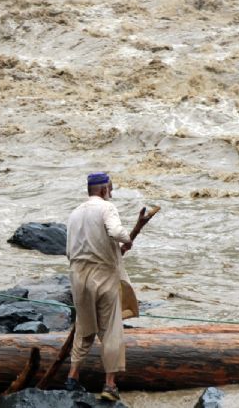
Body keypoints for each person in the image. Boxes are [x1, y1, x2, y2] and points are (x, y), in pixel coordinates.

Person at [64, 172, 156, 402]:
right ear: (104, 190)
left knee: (84, 328)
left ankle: (72, 378)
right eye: (111, 189)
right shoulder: (107, 208)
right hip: (102, 274)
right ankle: (110, 385)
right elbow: (115, 232)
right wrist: (127, 237)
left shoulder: (75, 213)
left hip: (77, 275)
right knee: (111, 330)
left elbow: (69, 249)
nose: (112, 193)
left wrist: (121, 244)